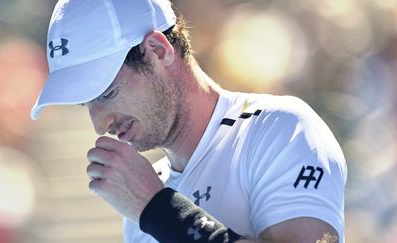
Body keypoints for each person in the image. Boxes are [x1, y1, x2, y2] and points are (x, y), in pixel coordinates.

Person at [31, 0, 347, 242]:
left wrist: (159, 209)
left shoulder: (282, 128)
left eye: (108, 92)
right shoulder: (142, 200)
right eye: (87, 103)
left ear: (157, 49)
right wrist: (153, 208)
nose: (100, 125)